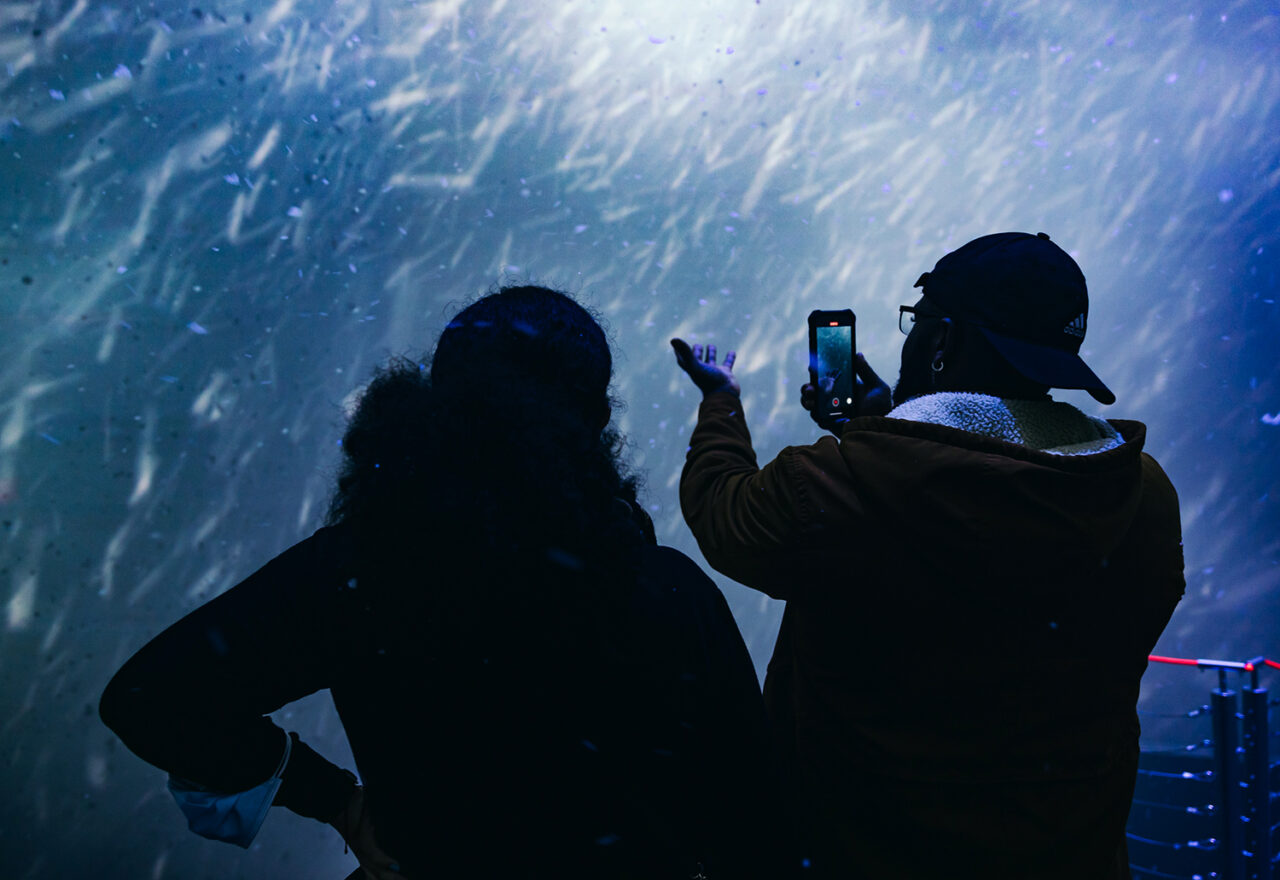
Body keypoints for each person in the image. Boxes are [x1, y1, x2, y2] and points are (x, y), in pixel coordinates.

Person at [101, 285, 790, 879]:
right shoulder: (670, 592)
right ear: (596, 424)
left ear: (431, 406)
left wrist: (335, 800)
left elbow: (151, 696)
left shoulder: (360, 572)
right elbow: (759, 820)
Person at [670, 233, 1185, 879]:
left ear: (943, 343)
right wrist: (892, 425)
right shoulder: (1144, 497)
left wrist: (720, 400)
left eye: (918, 324)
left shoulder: (843, 485)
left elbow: (725, 513)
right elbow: (986, 499)